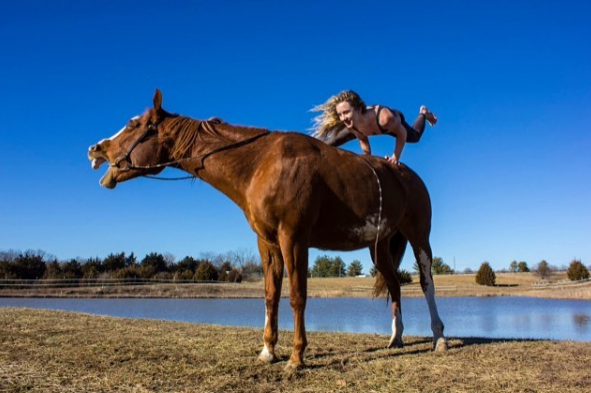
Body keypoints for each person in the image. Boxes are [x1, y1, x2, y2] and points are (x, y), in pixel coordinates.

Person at [311, 90, 437, 165]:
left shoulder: (385, 119)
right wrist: (367, 158)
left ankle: (423, 113)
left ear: (358, 109)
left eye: (346, 112)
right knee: (331, 142)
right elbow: (363, 139)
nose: (343, 118)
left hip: (393, 123)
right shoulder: (351, 124)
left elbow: (402, 133)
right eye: (340, 114)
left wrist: (395, 157)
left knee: (414, 137)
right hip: (365, 125)